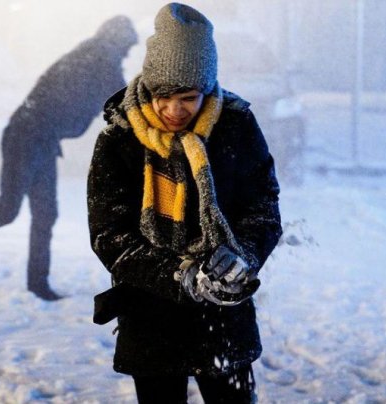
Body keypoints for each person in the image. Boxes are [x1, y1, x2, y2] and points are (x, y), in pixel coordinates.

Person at [87, 4, 282, 403]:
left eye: (189, 98)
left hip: (223, 317)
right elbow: (109, 236)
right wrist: (180, 276)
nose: (175, 110)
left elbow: (263, 208)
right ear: (148, 84)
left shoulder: (235, 127)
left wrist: (241, 257)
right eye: (163, 96)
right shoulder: (119, 139)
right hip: (150, 315)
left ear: (207, 89)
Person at [0, 16, 138, 301]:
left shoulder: (97, 55)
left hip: (44, 140)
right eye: (126, 47)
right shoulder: (97, 57)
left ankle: (38, 284)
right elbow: (124, 102)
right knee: (9, 210)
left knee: (45, 215)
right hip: (24, 137)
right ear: (117, 41)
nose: (126, 54)